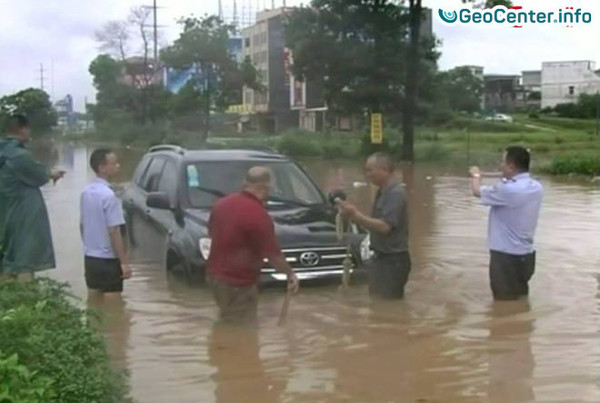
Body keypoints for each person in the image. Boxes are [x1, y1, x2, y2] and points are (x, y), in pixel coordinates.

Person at [207, 167, 300, 323]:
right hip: (238, 284)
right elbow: (274, 256)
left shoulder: (221, 204)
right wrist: (290, 274)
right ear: (265, 186)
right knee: (243, 332)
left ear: (245, 183)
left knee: (226, 320)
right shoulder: (258, 215)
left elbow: (211, 233)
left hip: (215, 278)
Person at [469, 146, 543, 300]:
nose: (500, 166)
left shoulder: (508, 190)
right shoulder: (536, 187)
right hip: (526, 256)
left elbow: (477, 191)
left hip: (505, 259)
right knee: (520, 300)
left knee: (503, 304)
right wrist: (506, 178)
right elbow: (506, 187)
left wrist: (476, 175)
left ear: (511, 165)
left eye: (502, 162)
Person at [337, 152, 411, 299]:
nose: (367, 174)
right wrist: (351, 215)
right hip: (380, 259)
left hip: (392, 261)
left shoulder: (395, 194)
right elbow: (375, 223)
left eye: (370, 170)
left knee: (387, 309)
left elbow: (384, 227)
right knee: (377, 304)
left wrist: (356, 216)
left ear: (384, 170)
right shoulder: (382, 192)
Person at [0, 114, 64, 280]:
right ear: (23, 129)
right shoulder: (19, 155)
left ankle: (8, 297)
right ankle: (26, 297)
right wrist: (53, 173)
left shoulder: (3, 151)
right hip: (23, 214)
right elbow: (39, 175)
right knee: (25, 258)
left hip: (6, 210)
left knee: (9, 255)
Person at [80, 149, 131, 301]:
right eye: (113, 163)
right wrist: (124, 263)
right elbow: (114, 231)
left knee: (93, 305)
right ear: (102, 168)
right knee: (114, 312)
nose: (118, 166)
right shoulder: (110, 196)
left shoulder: (86, 192)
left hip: (90, 259)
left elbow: (82, 225)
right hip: (109, 261)